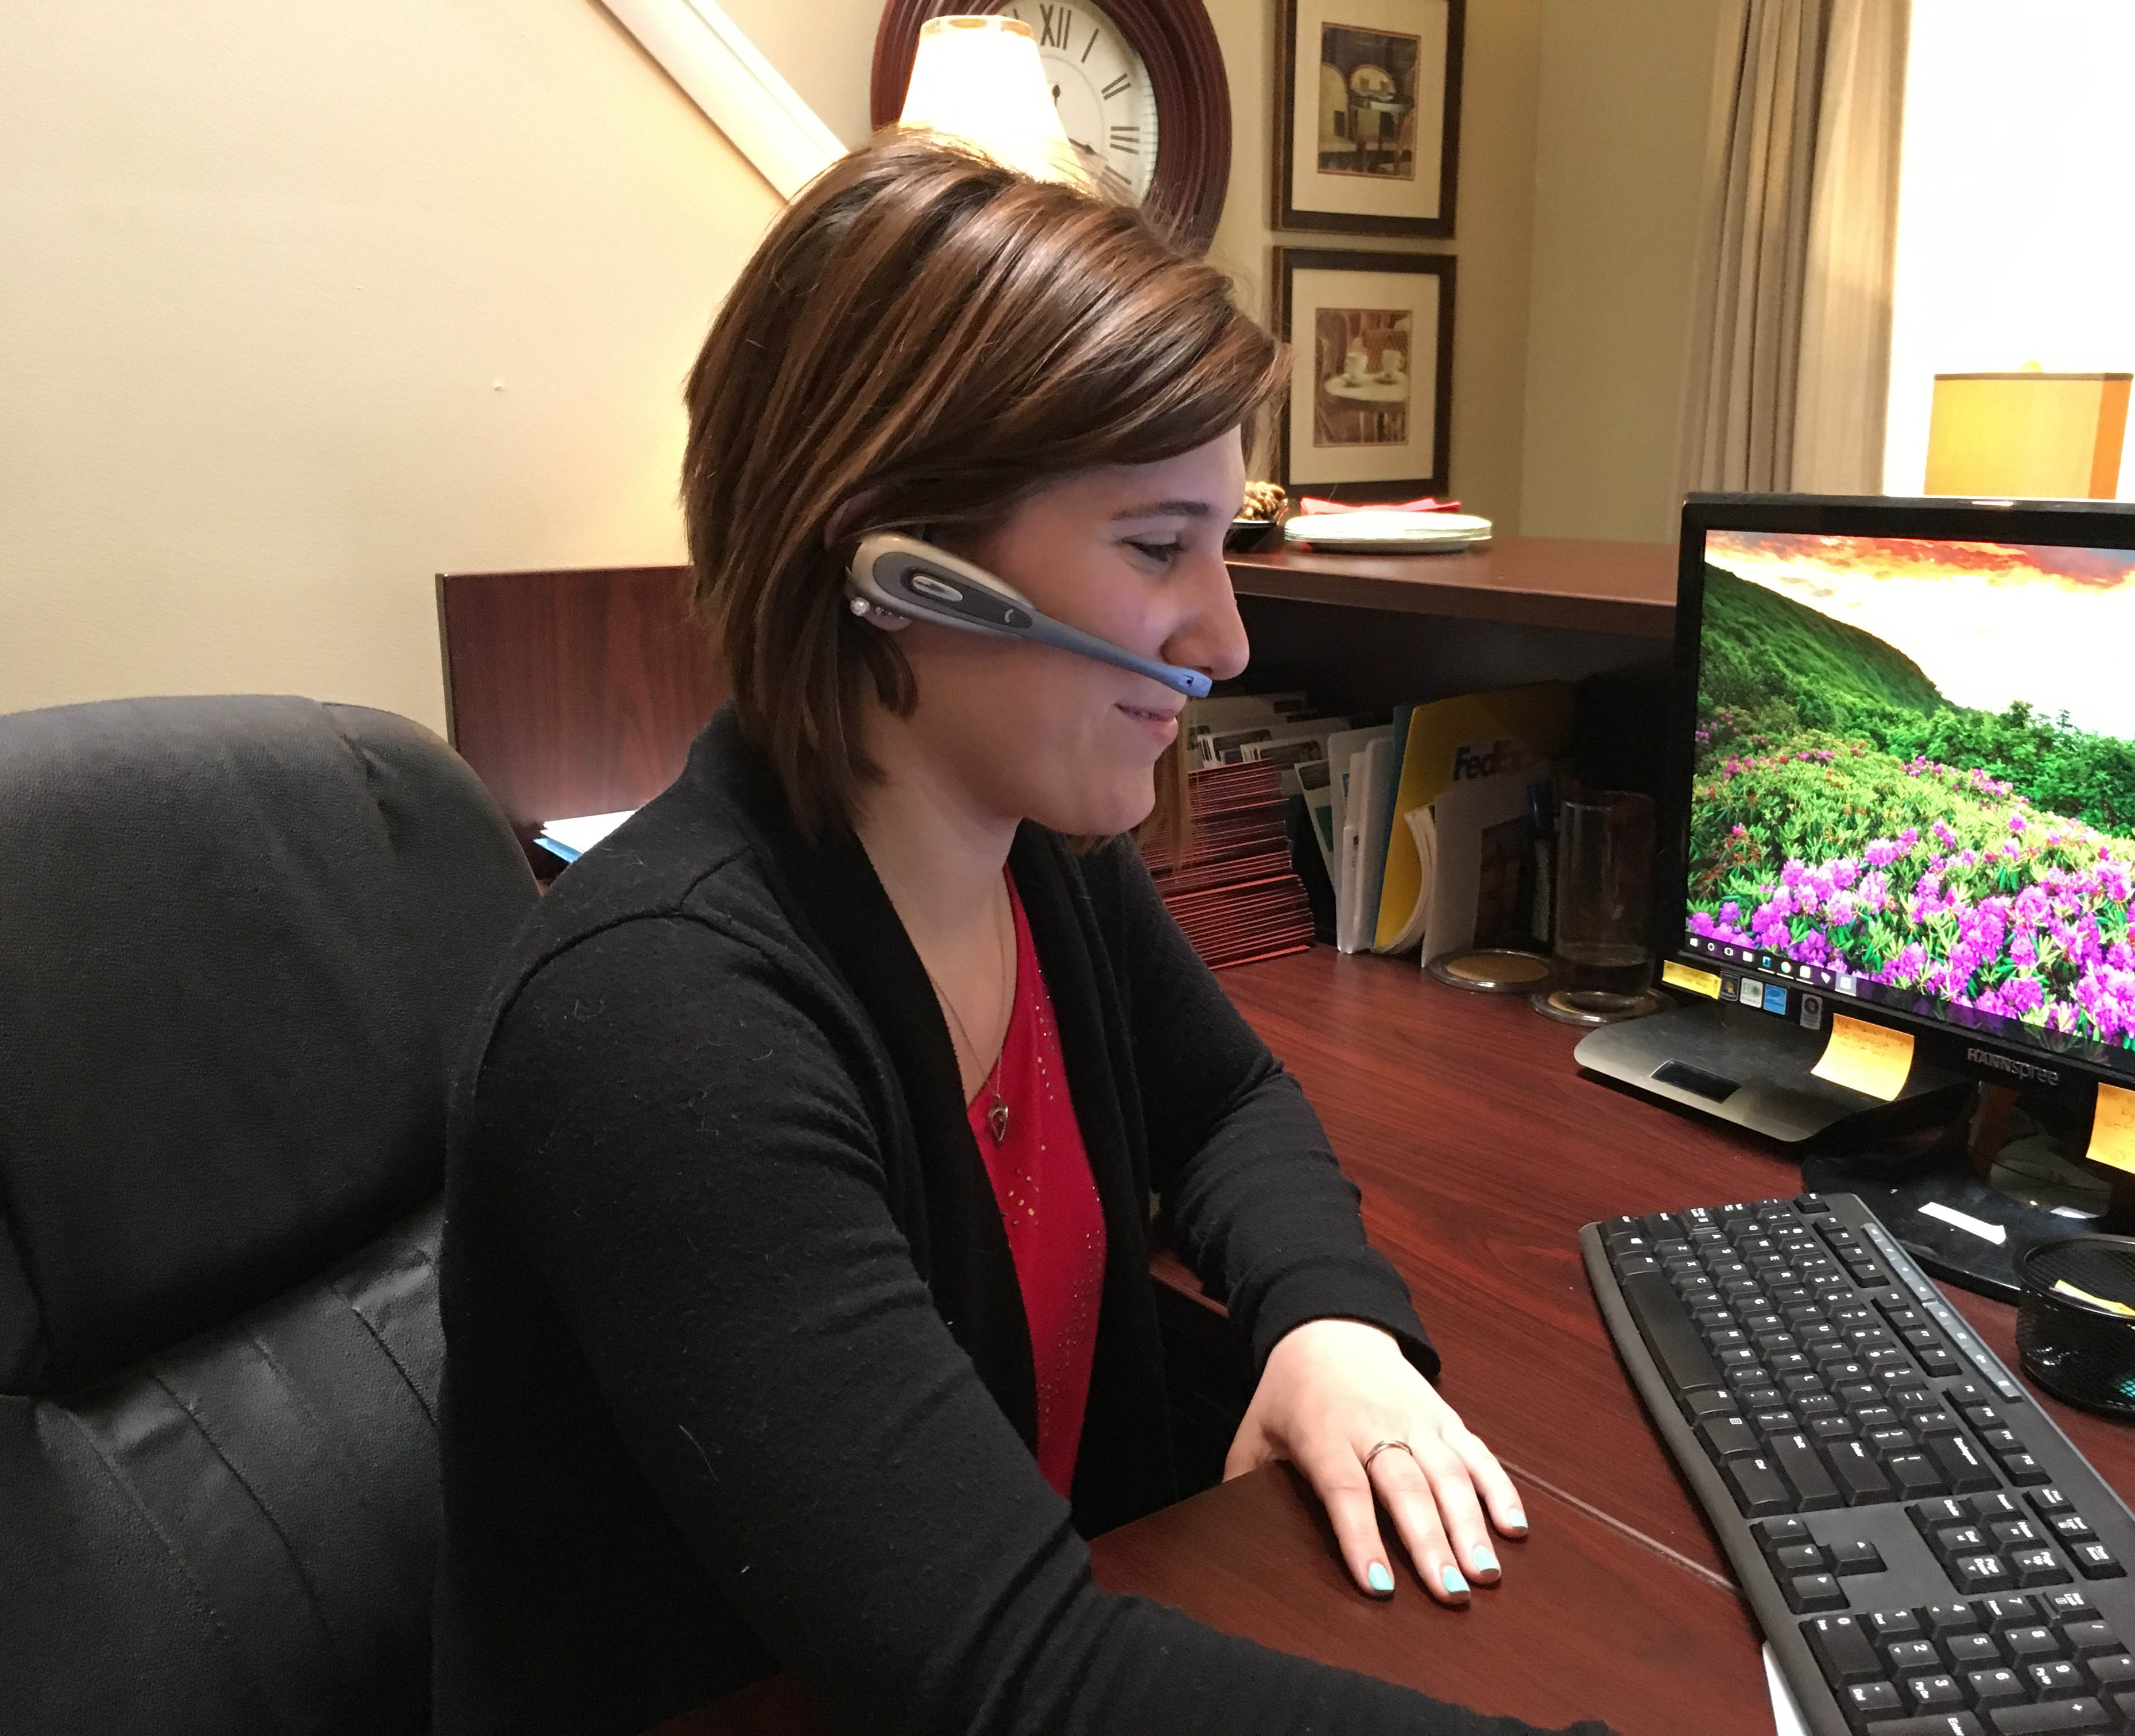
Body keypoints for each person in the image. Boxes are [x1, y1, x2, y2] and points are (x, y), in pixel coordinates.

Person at [433, 134, 1609, 1736]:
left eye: (1226, 538)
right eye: (1156, 547)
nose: (1227, 631)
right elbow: (1003, 1683)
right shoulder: (660, 1023)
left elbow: (1229, 1106)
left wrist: (1329, 1319)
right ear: (899, 567)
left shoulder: (1032, 851)